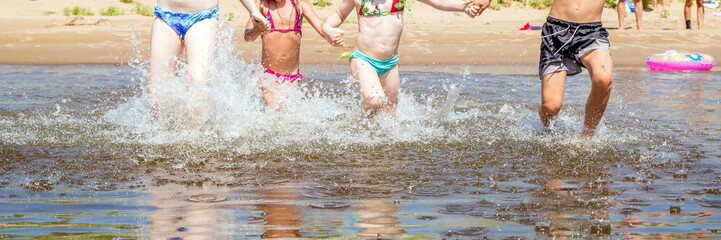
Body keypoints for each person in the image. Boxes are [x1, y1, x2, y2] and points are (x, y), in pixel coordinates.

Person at [322, 0, 487, 117]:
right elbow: (339, 13)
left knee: (390, 112)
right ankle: (359, 126)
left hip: (391, 63)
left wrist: (464, 7)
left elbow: (437, 1)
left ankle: (379, 149)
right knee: (375, 101)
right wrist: (329, 29)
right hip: (363, 59)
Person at [148, 0, 270, 127]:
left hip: (203, 17)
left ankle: (193, 137)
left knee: (198, 83)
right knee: (156, 92)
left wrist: (253, 10)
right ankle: (160, 134)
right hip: (164, 16)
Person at [538, 0, 614, 138]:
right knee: (551, 107)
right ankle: (547, 132)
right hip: (555, 32)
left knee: (604, 77)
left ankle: (586, 137)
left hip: (592, 33)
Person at [244, 0, 328, 109]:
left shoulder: (299, 4)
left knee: (288, 113)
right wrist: (257, 29)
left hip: (292, 77)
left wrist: (330, 33)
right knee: (273, 105)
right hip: (268, 74)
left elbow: (321, 27)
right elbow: (247, 37)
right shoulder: (261, 6)